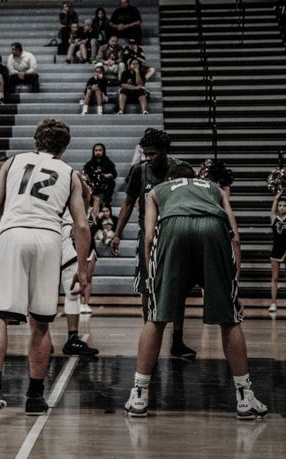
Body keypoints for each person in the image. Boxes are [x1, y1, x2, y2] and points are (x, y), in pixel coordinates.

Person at [0, 119, 90, 421]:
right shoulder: (71, 174)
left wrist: (1, 243)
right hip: (49, 239)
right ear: (64, 147)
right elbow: (82, 226)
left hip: (14, 232)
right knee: (41, 322)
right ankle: (35, 396)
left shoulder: (13, 162)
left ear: (36, 141)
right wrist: (83, 270)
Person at [124, 164, 268, 420]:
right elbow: (235, 237)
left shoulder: (158, 190)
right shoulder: (214, 188)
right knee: (230, 318)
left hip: (172, 229)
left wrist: (152, 281)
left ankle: (139, 395)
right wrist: (235, 286)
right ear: (195, 179)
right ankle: (245, 398)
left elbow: (148, 236)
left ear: (171, 179)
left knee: (156, 317)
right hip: (212, 229)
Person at [110, 128, 196, 358]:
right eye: (145, 153)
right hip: (148, 235)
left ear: (164, 151)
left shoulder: (181, 170)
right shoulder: (140, 171)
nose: (147, 158)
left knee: (177, 289)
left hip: (175, 235)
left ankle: (177, 340)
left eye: (152, 154)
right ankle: (151, 337)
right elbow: (128, 203)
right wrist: (117, 233)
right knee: (146, 288)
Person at [59, 172, 99, 356]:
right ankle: (72, 337)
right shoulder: (74, 193)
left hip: (48, 239)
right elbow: (86, 194)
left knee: (64, 292)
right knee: (72, 291)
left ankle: (41, 337)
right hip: (63, 240)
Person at [269, 188, 286, 313]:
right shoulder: (273, 218)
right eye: (280, 205)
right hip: (276, 250)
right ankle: (273, 303)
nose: (282, 207)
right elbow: (273, 206)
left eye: (284, 206)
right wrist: (277, 196)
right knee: (275, 278)